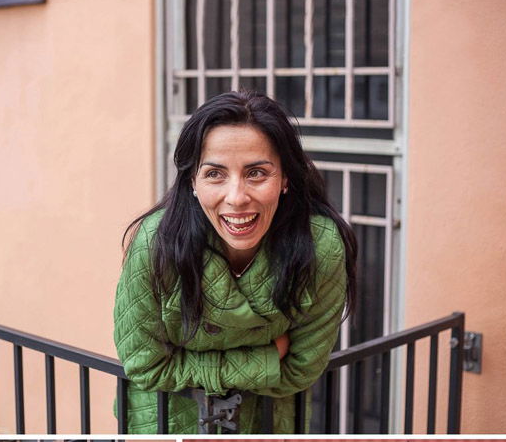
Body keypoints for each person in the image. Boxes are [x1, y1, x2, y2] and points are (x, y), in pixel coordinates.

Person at [113, 90, 357, 434]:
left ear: (285, 178)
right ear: (193, 182)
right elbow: (144, 366)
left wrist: (194, 360)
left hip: (267, 420)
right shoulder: (157, 241)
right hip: (166, 419)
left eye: (256, 173)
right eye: (215, 174)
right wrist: (268, 355)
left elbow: (302, 369)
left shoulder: (321, 245)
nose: (237, 197)